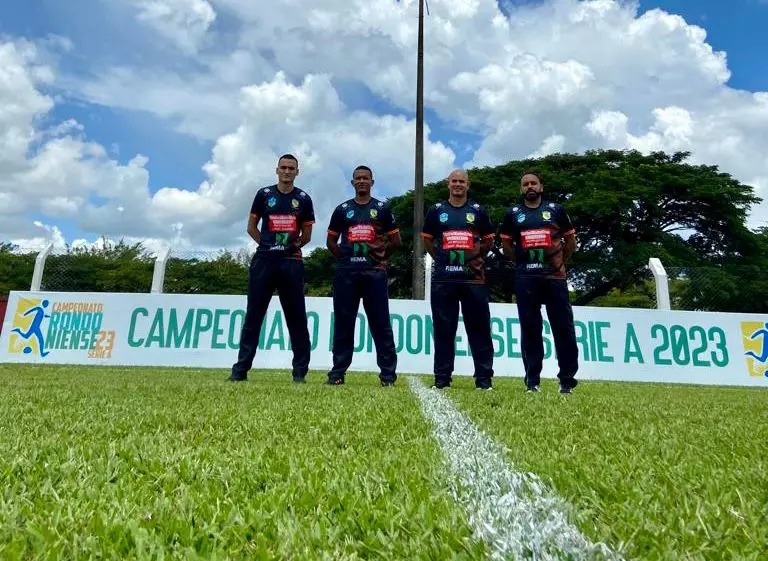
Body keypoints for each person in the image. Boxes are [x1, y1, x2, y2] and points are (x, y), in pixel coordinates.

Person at [229, 154, 315, 383]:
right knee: (253, 317)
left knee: (297, 319)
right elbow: (251, 227)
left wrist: (289, 248)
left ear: (298, 172)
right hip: (264, 262)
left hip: (292, 263)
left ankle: (299, 373)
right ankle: (240, 371)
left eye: (291, 168)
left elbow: (307, 235)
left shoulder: (304, 199)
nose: (287, 171)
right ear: (276, 170)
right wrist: (268, 246)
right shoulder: (263, 195)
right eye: (283, 167)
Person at [499, 171, 578, 394]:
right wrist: (522, 263)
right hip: (526, 280)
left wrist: (559, 262)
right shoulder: (513, 214)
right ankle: (532, 380)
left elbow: (570, 241)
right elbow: (507, 247)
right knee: (531, 330)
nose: (529, 187)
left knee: (563, 328)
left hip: (555, 279)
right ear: (521, 189)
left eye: (533, 183)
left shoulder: (556, 210)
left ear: (541, 187)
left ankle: (566, 380)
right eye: (525, 184)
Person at [326, 165, 401, 386]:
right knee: (343, 324)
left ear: (372, 182)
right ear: (352, 183)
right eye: (357, 178)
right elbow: (331, 241)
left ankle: (387, 375)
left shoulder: (382, 208)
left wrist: (378, 259)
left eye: (365, 178)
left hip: (374, 274)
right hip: (346, 275)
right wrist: (344, 259)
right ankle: (338, 373)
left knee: (381, 324)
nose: (361, 181)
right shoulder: (342, 209)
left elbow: (396, 241)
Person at [421, 169, 496, 390]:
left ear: (468, 185)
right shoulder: (436, 211)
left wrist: (473, 259)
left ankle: (484, 379)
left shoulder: (478, 211)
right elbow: (427, 241)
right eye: (454, 181)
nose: (457, 185)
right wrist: (442, 259)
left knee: (480, 329)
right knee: (444, 329)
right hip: (444, 280)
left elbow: (489, 242)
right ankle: (442, 379)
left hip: (474, 280)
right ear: (448, 184)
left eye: (461, 181)